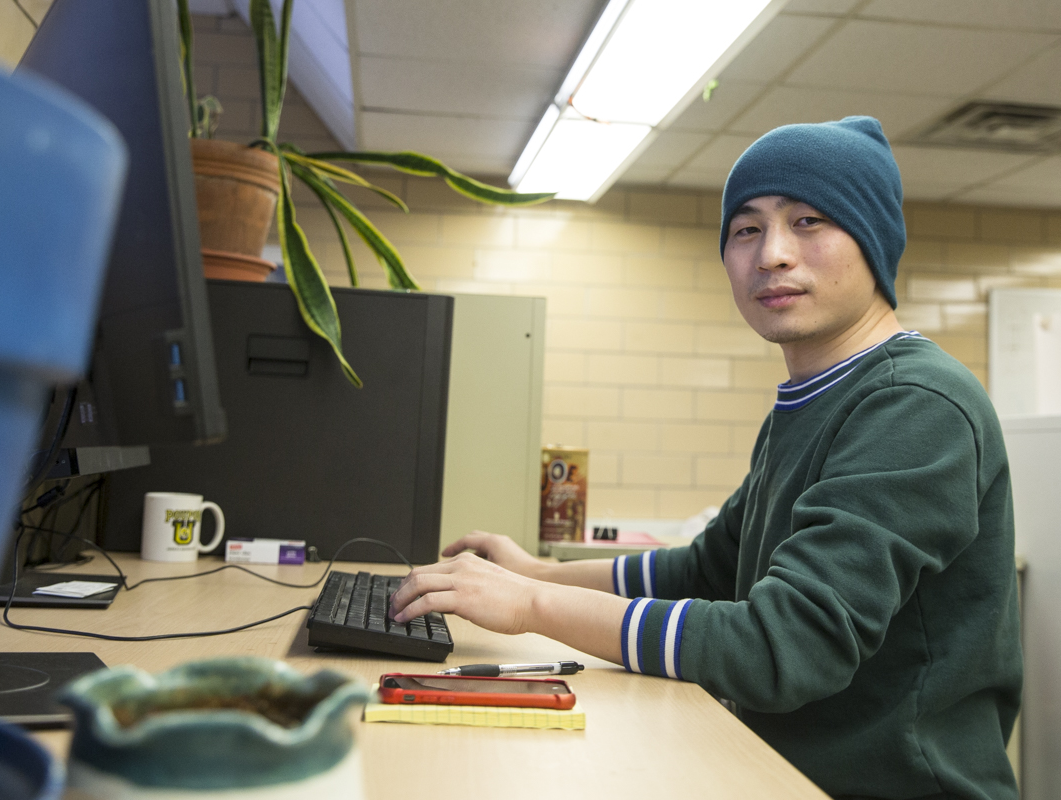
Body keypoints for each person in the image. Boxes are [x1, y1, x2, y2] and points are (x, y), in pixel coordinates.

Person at [391, 117, 1022, 800]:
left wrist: (533, 605)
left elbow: (783, 649)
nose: (772, 254)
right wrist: (539, 570)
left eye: (809, 221)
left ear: (873, 240)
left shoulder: (915, 404)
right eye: (746, 229)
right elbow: (709, 569)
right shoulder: (813, 399)